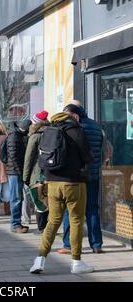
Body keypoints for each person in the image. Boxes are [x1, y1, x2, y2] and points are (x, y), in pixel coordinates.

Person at [30, 104, 94, 275]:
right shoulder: (77, 131)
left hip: (52, 184)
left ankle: (40, 259)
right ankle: (76, 262)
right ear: (75, 117)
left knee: (53, 221)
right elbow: (87, 156)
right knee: (76, 221)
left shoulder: (49, 130)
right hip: (74, 183)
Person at [58, 101, 104, 255]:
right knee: (92, 209)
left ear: (75, 115)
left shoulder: (73, 128)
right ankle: (96, 244)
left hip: (76, 176)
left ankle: (68, 245)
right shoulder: (97, 126)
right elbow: (102, 150)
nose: (65, 119)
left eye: (67, 116)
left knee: (70, 209)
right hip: (94, 174)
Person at [23, 110, 50, 232]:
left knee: (39, 201)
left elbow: (28, 159)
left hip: (38, 173)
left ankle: (42, 227)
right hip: (52, 172)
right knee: (50, 200)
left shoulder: (35, 136)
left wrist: (25, 177)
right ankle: (49, 226)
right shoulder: (53, 132)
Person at [5, 119, 31, 233]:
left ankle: (17, 223)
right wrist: (21, 171)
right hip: (15, 172)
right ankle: (15, 224)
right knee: (16, 198)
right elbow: (13, 156)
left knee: (18, 197)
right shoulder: (14, 136)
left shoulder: (18, 135)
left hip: (16, 171)